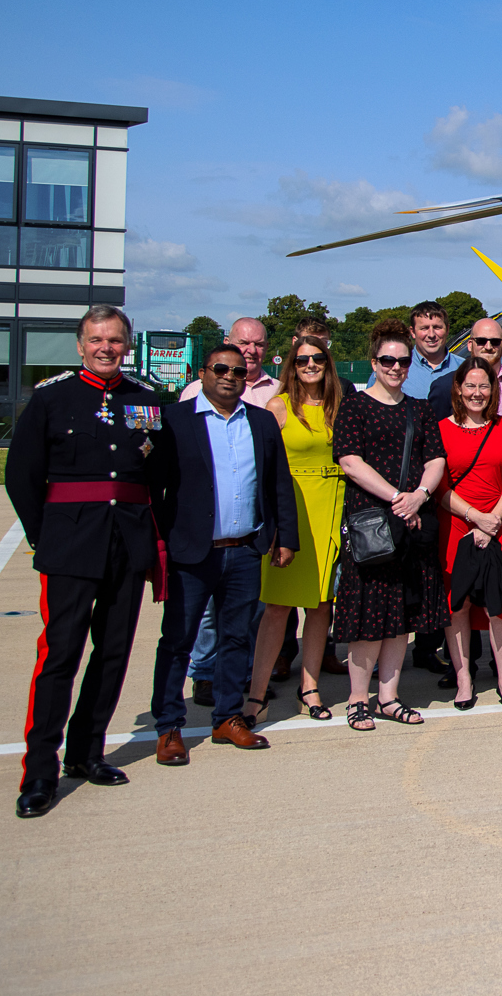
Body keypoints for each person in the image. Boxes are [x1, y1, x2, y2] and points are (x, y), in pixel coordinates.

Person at [5, 305, 170, 818]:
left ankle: (86, 752)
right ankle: (39, 771)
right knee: (60, 656)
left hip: (127, 543)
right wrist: (46, 535)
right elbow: (21, 475)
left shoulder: (145, 399)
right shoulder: (53, 398)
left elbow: (158, 473)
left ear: (128, 344)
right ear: (80, 344)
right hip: (71, 545)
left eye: (116, 340)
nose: (106, 348)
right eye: (97, 340)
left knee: (113, 652)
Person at [150, 342, 299, 759]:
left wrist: (285, 537)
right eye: (220, 369)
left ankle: (227, 717)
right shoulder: (176, 420)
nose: (229, 377)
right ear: (202, 373)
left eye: (237, 371)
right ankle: (168, 725)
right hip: (193, 554)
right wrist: (161, 542)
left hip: (245, 549)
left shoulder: (261, 422)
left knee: (237, 638)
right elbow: (156, 488)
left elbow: (278, 484)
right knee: (178, 641)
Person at [332, 318, 448, 732]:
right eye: (388, 361)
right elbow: (349, 460)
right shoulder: (356, 405)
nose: (396, 368)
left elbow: (436, 458)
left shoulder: (418, 409)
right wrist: (398, 497)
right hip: (372, 520)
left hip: (411, 521)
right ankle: (357, 698)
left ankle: (389, 696)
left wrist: (419, 494)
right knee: (367, 615)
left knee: (401, 614)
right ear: (374, 361)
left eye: (403, 361)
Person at [176, 316, 280, 704]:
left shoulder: (278, 392)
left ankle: (240, 679)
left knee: (248, 612)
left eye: (257, 345)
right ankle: (203, 673)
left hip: (250, 529)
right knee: (201, 617)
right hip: (205, 528)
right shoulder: (191, 396)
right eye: (243, 344)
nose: (250, 352)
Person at [245, 333, 343, 724]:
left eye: (317, 358)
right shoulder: (278, 406)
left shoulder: (340, 406)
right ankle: (255, 693)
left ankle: (310, 686)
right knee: (278, 606)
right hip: (294, 508)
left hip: (332, 506)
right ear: (292, 364)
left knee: (321, 606)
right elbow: (263, 469)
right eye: (302, 360)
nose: (310, 366)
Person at [437, 357, 502, 712]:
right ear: (458, 388)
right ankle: (464, 679)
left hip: (497, 525)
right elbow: (437, 487)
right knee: (458, 604)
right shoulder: (440, 429)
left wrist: (493, 519)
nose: (477, 392)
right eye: (470, 385)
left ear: (493, 390)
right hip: (456, 526)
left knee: (501, 607)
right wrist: (474, 518)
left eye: (484, 386)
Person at [428, 316, 502, 423]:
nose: (488, 346)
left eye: (495, 341)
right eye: (481, 341)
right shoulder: (444, 387)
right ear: (470, 345)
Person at [179, 317, 278, 408]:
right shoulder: (196, 391)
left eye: (259, 344)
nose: (252, 350)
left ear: (267, 347)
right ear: (227, 342)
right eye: (243, 343)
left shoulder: (281, 389)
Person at [400, 301, 462, 400]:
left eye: (437, 327)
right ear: (412, 332)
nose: (431, 334)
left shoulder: (464, 368)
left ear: (447, 329)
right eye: (424, 328)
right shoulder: (394, 368)